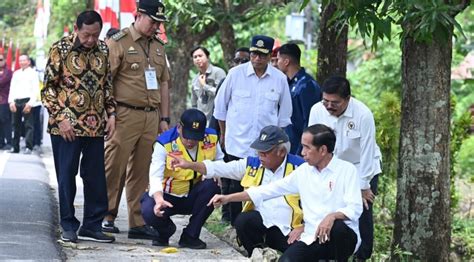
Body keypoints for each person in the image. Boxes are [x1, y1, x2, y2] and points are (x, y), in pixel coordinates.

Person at [209, 124, 363, 261]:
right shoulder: (303, 171)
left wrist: (332, 216)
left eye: (307, 147)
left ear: (322, 150)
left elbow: (355, 208)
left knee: (337, 227)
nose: (302, 152)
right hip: (312, 237)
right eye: (302, 147)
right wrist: (228, 198)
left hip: (341, 238)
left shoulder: (346, 170)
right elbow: (268, 190)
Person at [171, 125, 304, 257]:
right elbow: (219, 168)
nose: (260, 156)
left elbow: (316, 202)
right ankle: (257, 253)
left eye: (265, 152)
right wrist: (188, 164)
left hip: (290, 229)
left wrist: (303, 227)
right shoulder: (252, 164)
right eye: (258, 151)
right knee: (243, 221)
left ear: (281, 152)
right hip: (261, 224)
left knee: (296, 255)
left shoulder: (300, 168)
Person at [42, 10, 116, 243]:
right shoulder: (60, 49)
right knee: (66, 176)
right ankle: (68, 225)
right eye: (86, 35)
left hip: (95, 126)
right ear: (76, 29)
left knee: (95, 178)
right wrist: (60, 118)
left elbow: (107, 87)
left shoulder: (104, 50)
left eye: (95, 35)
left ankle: (92, 226)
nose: (91, 40)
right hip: (66, 127)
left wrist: (111, 114)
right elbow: (48, 89)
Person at [103, 0, 171, 240]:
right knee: (114, 167)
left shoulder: (159, 47)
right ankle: (107, 216)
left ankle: (137, 222)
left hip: (151, 116)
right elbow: (105, 82)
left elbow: (163, 83)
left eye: (159, 23)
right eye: (153, 21)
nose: (156, 27)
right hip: (123, 114)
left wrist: (164, 117)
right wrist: (108, 114)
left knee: (142, 171)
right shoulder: (118, 42)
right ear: (138, 15)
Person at [213, 35, 292, 224]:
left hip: (265, 147)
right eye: (254, 54)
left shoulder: (279, 79)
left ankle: (258, 224)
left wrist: (277, 144)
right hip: (237, 142)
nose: (257, 59)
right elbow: (220, 109)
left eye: (262, 55)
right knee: (234, 185)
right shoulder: (235, 74)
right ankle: (233, 225)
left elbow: (284, 116)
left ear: (268, 56)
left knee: (261, 185)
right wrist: (223, 134)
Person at [308, 76, 382, 260]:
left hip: (361, 168)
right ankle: (329, 252)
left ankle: (362, 255)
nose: (329, 106)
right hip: (332, 167)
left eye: (335, 103)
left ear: (348, 99)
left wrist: (363, 187)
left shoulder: (363, 114)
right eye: (326, 101)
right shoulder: (317, 110)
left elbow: (367, 151)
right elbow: (311, 142)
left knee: (361, 211)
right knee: (328, 208)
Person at [140, 109, 222, 249]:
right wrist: (159, 200)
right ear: (179, 128)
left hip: (193, 195)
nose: (190, 141)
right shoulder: (164, 143)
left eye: (196, 138)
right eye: (187, 136)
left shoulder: (212, 138)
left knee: (212, 186)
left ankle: (190, 236)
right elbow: (155, 175)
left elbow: (219, 159)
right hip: (168, 196)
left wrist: (216, 173)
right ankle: (164, 232)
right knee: (148, 208)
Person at [210, 46, 250, 224]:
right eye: (237, 60)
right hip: (228, 138)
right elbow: (218, 111)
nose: (239, 64)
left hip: (249, 141)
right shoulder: (228, 80)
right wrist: (217, 136)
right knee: (227, 178)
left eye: (244, 60)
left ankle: (241, 219)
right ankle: (227, 217)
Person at [277, 43, 321, 155]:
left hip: (300, 148)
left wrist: (303, 149)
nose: (277, 63)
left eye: (278, 59)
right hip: (288, 144)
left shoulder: (307, 85)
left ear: (286, 61)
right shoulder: (285, 83)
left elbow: (310, 120)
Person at [8, 54, 40, 154]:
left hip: (28, 101)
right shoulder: (16, 73)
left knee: (28, 126)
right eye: (20, 60)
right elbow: (12, 88)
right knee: (15, 125)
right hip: (16, 100)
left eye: (24, 60)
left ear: (28, 62)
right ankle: (15, 147)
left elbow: (36, 90)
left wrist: (30, 104)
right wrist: (11, 101)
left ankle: (28, 147)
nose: (22, 62)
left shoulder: (33, 73)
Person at [190, 46, 226, 125]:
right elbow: (194, 103)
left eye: (200, 56)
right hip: (201, 122)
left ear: (207, 57)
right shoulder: (195, 79)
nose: (198, 59)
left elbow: (222, 95)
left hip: (217, 120)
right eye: (195, 57)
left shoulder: (218, 72)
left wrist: (204, 85)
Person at [0, 53, 13, 150]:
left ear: (4, 61)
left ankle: (9, 142)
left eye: (1, 60)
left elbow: (2, 82)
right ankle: (1, 143)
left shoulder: (8, 72)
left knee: (5, 121)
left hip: (4, 100)